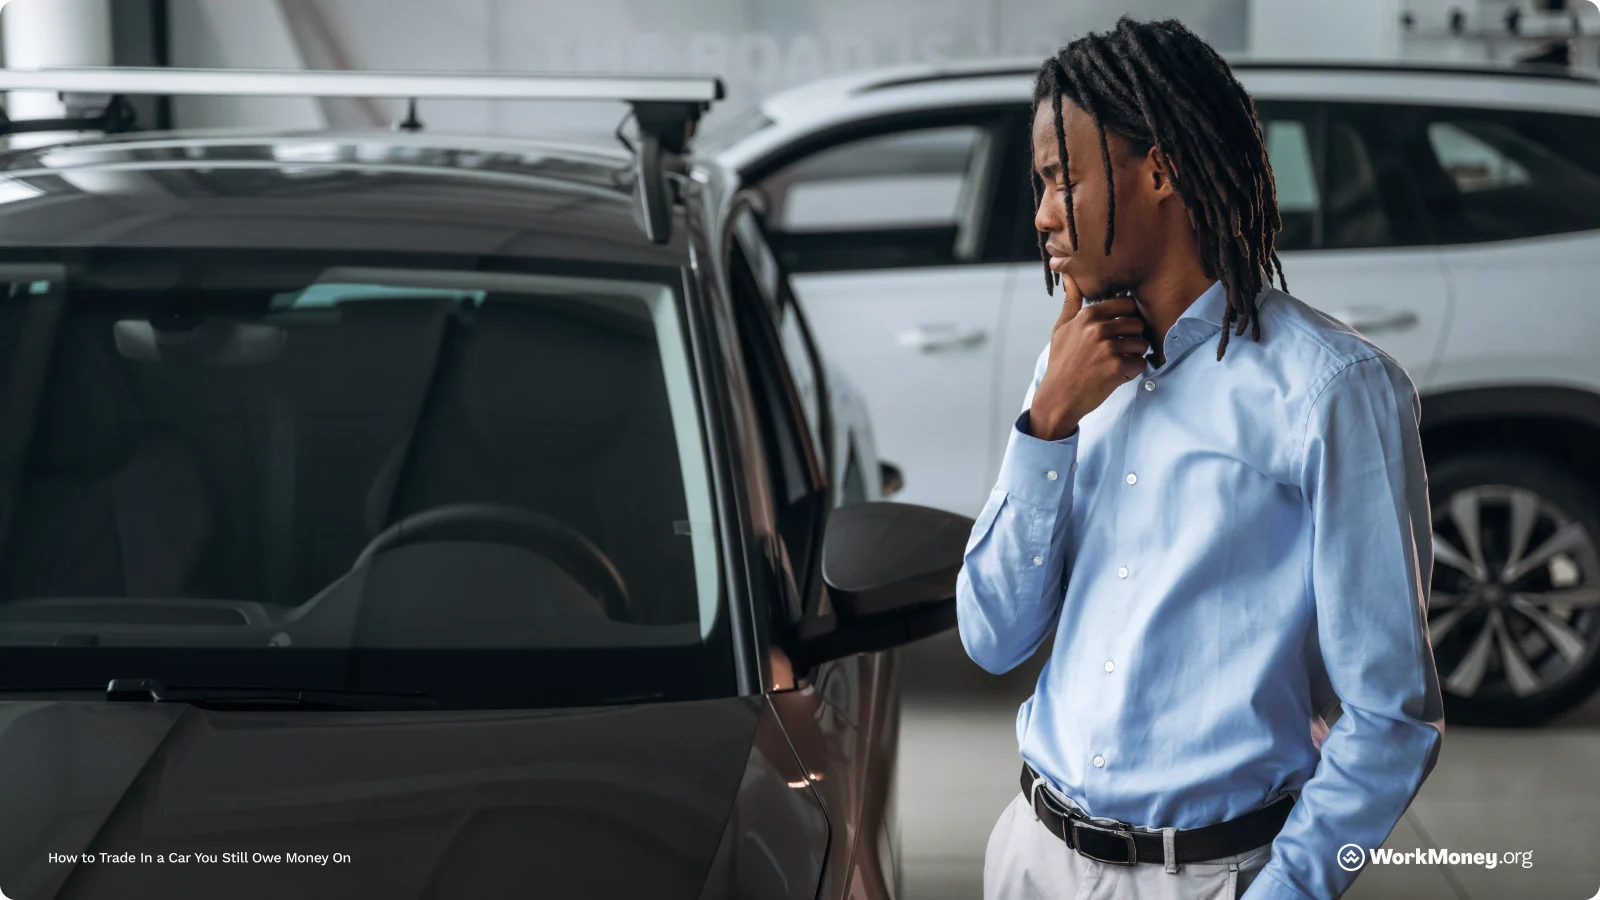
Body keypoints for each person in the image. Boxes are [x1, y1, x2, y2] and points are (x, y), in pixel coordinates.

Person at [956, 16, 1444, 900]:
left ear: (1160, 169)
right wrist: (1048, 424)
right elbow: (990, 639)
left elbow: (1390, 715)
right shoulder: (1065, 371)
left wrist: (1284, 891)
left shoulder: (1332, 391)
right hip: (1032, 856)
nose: (1041, 213)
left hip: (1210, 877)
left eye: (1063, 178)